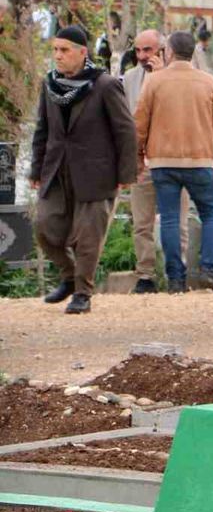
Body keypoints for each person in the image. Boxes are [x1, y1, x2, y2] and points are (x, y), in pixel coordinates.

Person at [30, 25, 138, 314]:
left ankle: (83, 293)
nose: (58, 56)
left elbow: (125, 131)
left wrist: (125, 175)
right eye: (55, 50)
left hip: (96, 174)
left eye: (64, 50)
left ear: (82, 52)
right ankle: (68, 277)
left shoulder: (104, 84)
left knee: (87, 237)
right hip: (56, 171)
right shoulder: (50, 84)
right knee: (44, 227)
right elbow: (43, 129)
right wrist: (35, 170)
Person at [134, 31, 213, 294]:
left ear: (169, 52)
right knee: (210, 214)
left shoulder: (154, 82)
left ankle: (176, 278)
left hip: (163, 161)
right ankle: (209, 267)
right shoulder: (209, 82)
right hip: (201, 160)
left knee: (169, 218)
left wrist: (138, 157)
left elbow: (140, 123)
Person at [125, 29, 187, 294]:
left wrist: (162, 77)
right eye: (138, 50)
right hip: (142, 161)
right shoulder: (129, 79)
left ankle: (177, 273)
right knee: (141, 222)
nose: (142, 56)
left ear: (163, 51)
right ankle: (145, 275)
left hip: (173, 159)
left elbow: (179, 115)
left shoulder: (179, 78)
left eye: (148, 50)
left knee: (178, 221)